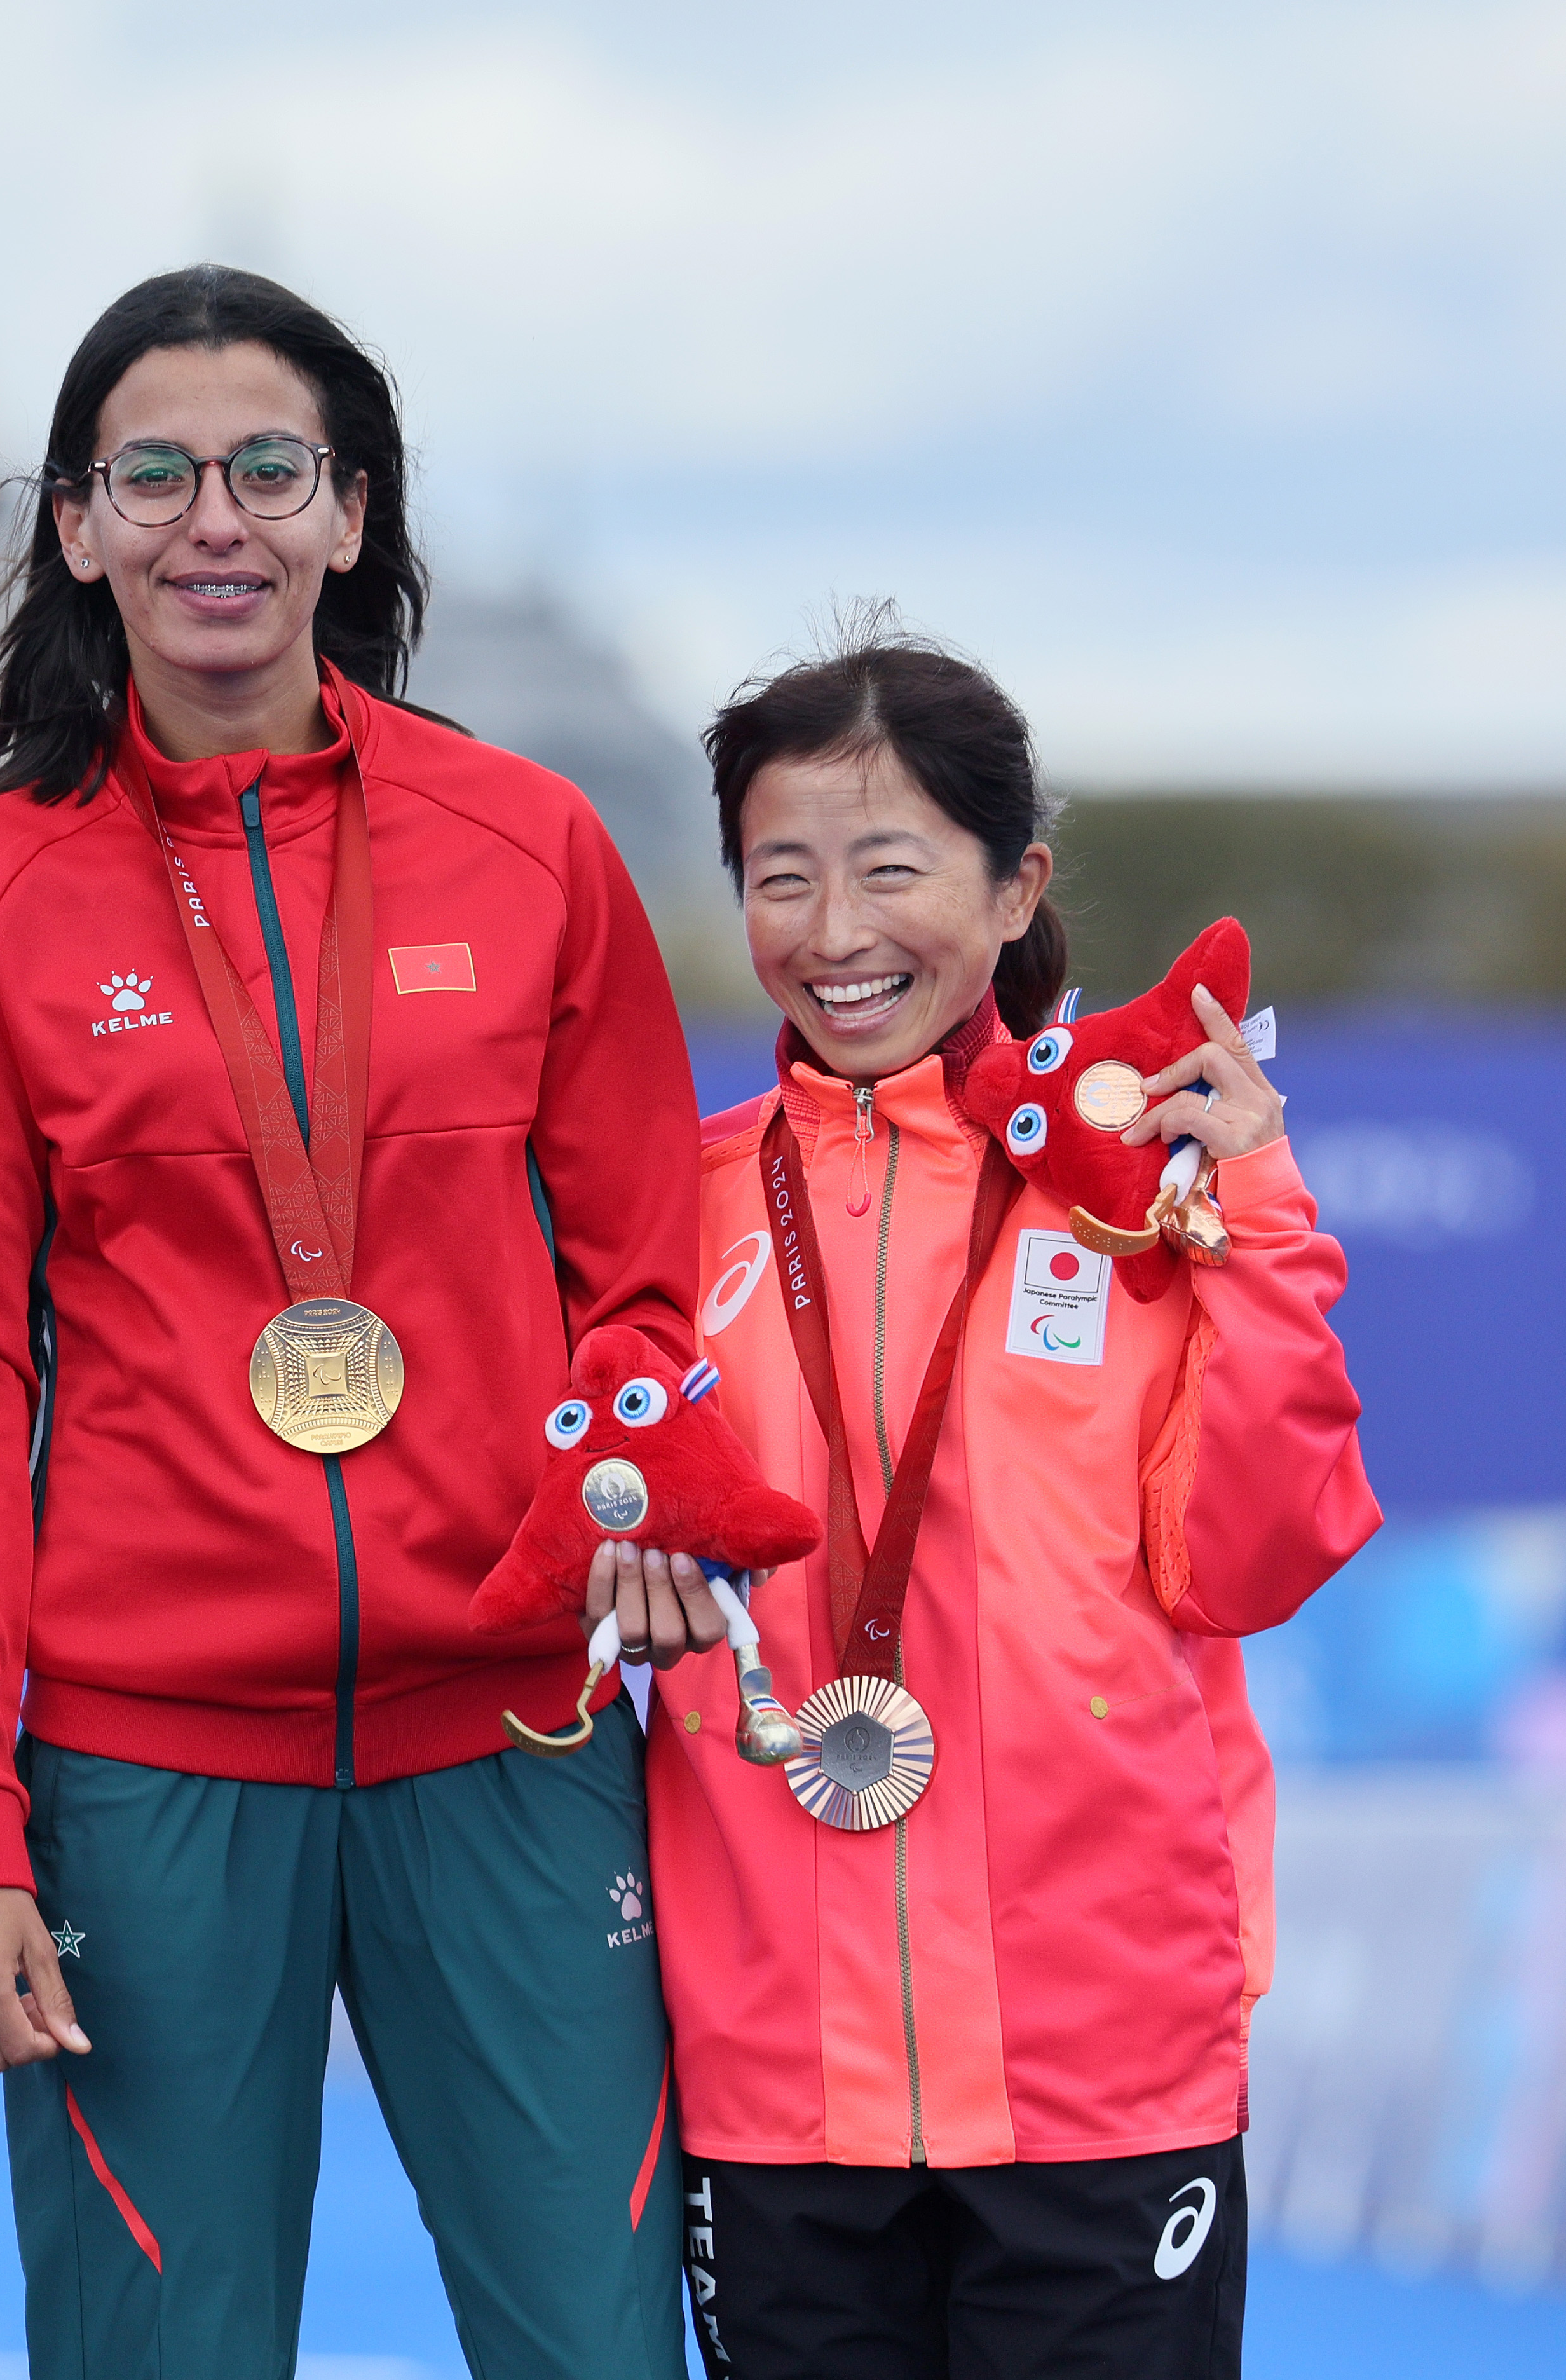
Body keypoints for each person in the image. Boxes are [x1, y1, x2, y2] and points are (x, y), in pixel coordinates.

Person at [0, 264, 703, 2376]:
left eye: (269, 469)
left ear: (351, 513)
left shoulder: (529, 846)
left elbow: (642, 1289)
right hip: (146, 1773)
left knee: (596, 2343)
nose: (210, 520)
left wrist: (633, 1489)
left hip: (509, 1747)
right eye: (149, 472)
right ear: (75, 525)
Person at [651, 627, 1378, 2377]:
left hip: (1098, 2057)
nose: (833, 934)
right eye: (781, 876)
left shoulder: (1141, 1205)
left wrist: (1258, 1221)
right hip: (770, 2071)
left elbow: (1255, 1556)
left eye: (889, 869)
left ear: (1010, 889)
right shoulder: (664, 1218)